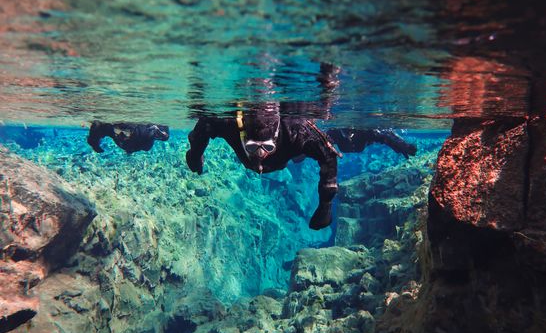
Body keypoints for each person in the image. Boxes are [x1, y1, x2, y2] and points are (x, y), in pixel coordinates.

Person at [185, 107, 416, 230]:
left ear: (276, 136)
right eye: (253, 146)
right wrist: (194, 156)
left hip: (293, 152)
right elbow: (202, 128)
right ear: (242, 133)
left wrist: (325, 205)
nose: (260, 154)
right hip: (287, 149)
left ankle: (381, 135)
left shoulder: (297, 130)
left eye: (267, 146)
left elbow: (328, 157)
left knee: (334, 141)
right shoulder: (228, 123)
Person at [87, 121, 169, 154]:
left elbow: (165, 135)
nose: (120, 135)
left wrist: (163, 135)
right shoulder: (112, 131)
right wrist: (95, 145)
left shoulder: (144, 134)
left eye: (125, 133)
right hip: (133, 143)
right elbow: (96, 126)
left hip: (140, 139)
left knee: (148, 142)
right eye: (118, 131)